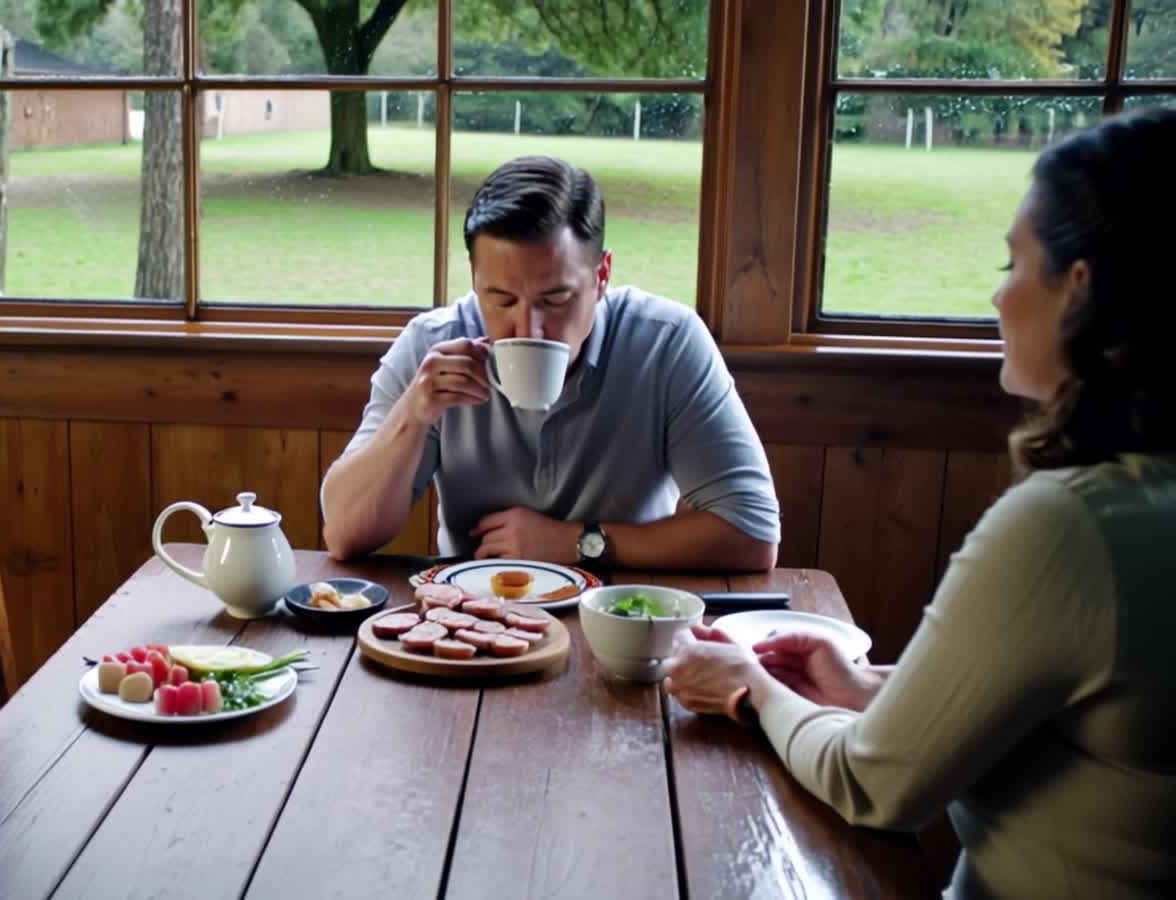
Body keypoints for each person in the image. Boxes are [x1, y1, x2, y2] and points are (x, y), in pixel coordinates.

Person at [662, 107, 1176, 899]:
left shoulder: (1076, 527)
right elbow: (1078, 719)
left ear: (1082, 288)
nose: (999, 298)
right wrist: (875, 691)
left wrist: (747, 691)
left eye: (1015, 262)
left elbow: (874, 785)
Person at [320, 156, 780, 570]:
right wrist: (412, 416)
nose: (527, 329)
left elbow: (752, 531)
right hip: (474, 619)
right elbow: (342, 534)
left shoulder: (666, 343)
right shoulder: (434, 344)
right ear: (474, 279)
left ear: (601, 277)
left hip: (623, 616)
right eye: (500, 298)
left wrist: (578, 543)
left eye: (555, 298)